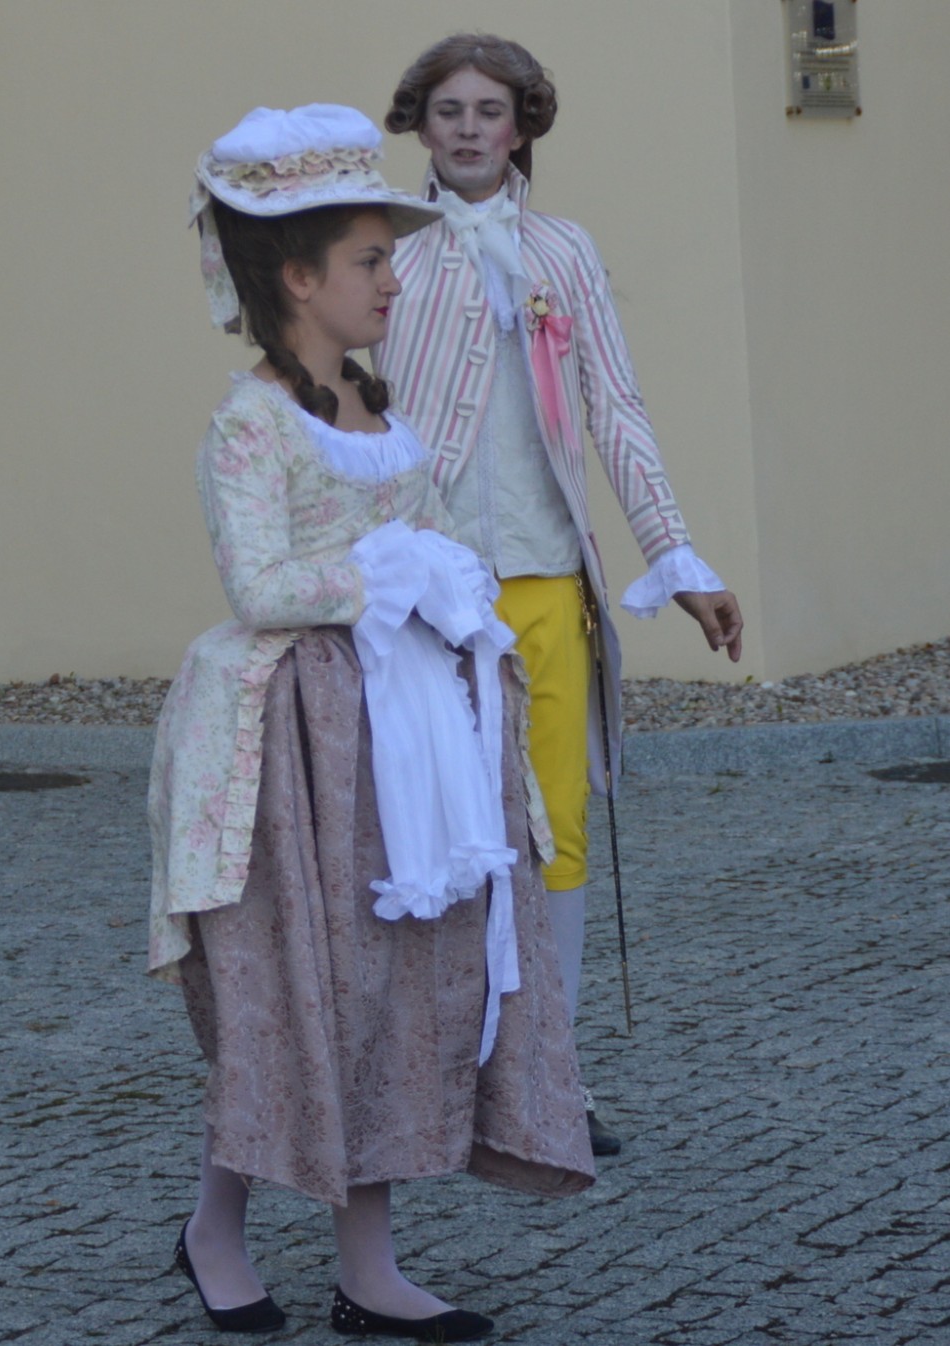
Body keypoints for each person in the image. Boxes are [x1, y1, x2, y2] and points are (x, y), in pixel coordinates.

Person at [147, 103, 593, 1343]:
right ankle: (218, 1231)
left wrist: (446, 579)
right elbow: (260, 585)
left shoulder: (380, 413)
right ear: (298, 278)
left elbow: (437, 534)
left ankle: (366, 1264)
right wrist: (386, 573)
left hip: (404, 741)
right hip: (295, 747)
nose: (394, 280)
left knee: (389, 991)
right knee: (296, 996)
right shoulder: (251, 424)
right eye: (371, 260)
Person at [375, 35, 744, 1158]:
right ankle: (429, 1079)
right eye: (448, 110)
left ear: (524, 124)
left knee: (558, 833)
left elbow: (615, 408)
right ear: (420, 124)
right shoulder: (385, 250)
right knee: (430, 833)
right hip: (425, 591)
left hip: (545, 581)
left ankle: (550, 1079)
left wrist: (679, 558)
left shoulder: (563, 250)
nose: (469, 129)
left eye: (490, 109)